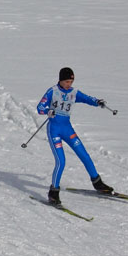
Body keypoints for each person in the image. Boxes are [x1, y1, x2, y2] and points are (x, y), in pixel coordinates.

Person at [36, 66, 112, 204]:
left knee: (84, 155)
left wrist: (97, 102)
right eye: (66, 81)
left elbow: (87, 98)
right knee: (61, 161)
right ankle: (53, 192)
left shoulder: (73, 92)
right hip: (54, 130)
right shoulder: (52, 91)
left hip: (67, 129)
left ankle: (97, 183)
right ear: (60, 80)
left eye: (71, 82)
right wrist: (48, 111)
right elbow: (39, 108)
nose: (69, 84)